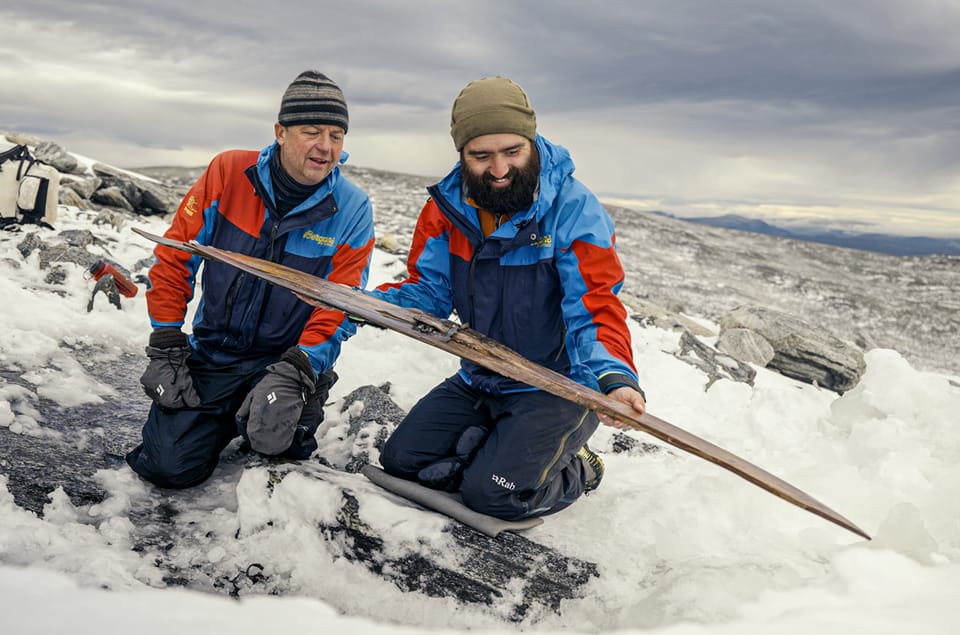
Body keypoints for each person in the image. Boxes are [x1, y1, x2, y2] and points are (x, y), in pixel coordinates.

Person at [369, 76, 646, 520]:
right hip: (482, 378)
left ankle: (579, 469)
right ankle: (499, 447)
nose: (498, 170)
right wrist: (370, 304)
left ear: (532, 144)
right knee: (403, 463)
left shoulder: (573, 210)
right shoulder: (447, 210)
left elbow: (595, 303)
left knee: (493, 497)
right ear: (461, 155)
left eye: (512, 152)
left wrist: (613, 376)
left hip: (559, 388)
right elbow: (431, 292)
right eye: (481, 156)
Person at [126, 70, 375, 489]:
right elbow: (175, 256)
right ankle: (226, 413)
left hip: (282, 361)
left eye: (336, 135)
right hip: (214, 354)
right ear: (280, 132)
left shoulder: (350, 208)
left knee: (277, 447)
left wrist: (301, 366)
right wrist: (166, 343)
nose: (325, 147)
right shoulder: (228, 172)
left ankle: (300, 396)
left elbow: (342, 304)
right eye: (312, 132)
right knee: (167, 467)